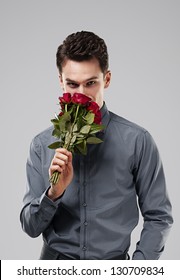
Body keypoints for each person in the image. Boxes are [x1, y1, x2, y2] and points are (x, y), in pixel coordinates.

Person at [20, 31, 173, 260]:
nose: (81, 94)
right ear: (60, 81)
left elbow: (159, 216)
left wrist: (138, 270)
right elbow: (30, 227)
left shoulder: (138, 141)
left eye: (90, 83)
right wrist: (53, 193)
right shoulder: (42, 145)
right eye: (72, 84)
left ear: (107, 79)